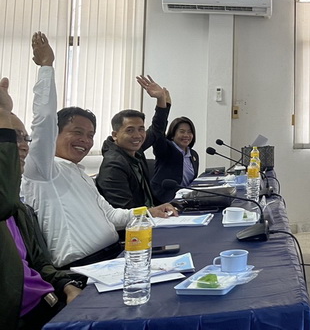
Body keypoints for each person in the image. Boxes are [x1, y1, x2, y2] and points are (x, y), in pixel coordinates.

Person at [21, 33, 177, 269]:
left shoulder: (81, 174)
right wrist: (46, 67)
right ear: (55, 134)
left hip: (116, 257)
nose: (85, 141)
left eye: (90, 135)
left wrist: (150, 211)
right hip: (85, 268)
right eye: (77, 132)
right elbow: (43, 119)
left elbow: (112, 216)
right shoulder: (43, 171)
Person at [1, 77, 86, 328]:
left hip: (49, 301)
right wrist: (3, 112)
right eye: (12, 138)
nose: (22, 146)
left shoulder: (20, 210)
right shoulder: (7, 202)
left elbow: (41, 264)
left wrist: (68, 285)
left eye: (24, 138)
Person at [96, 76, 172, 209]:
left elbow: (157, 129)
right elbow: (125, 211)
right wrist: (155, 212)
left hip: (150, 214)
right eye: (130, 130)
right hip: (137, 220)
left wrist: (161, 99)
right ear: (115, 135)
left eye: (141, 129)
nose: (137, 135)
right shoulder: (113, 166)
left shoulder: (134, 150)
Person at [151, 116, 200, 203]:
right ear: (172, 135)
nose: (186, 135)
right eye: (182, 131)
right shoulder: (166, 149)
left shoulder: (193, 154)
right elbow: (158, 133)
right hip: (164, 200)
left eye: (189, 132)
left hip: (187, 199)